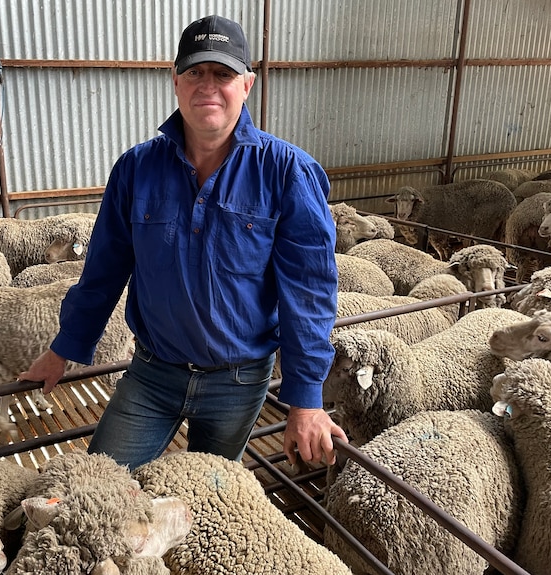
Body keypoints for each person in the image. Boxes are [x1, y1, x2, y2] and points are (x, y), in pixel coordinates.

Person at [20, 14, 346, 470]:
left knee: (205, 501)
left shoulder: (287, 172)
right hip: (152, 374)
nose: (207, 85)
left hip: (237, 381)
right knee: (101, 483)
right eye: (195, 72)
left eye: (223, 73)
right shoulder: (136, 169)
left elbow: (308, 292)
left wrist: (306, 400)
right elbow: (104, 269)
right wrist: (65, 347)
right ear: (175, 81)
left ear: (247, 84)